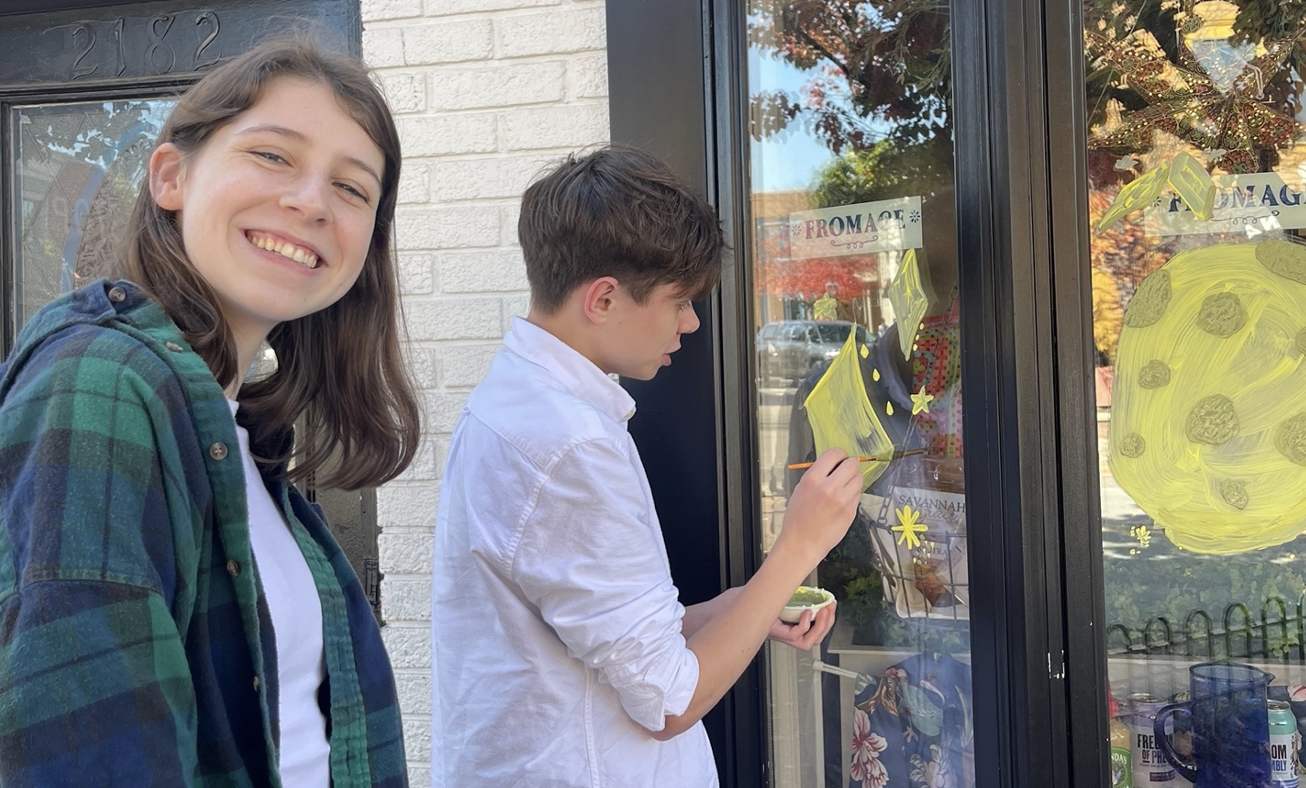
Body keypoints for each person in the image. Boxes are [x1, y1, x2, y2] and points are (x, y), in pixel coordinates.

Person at [0, 38, 418, 788]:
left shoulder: (236, 432)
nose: (311, 202)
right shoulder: (101, 381)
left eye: (353, 189)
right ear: (171, 177)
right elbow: (91, 763)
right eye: (273, 156)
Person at [430, 147, 863, 786]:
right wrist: (799, 547)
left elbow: (598, 638)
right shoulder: (568, 444)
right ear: (604, 298)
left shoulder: (523, 403)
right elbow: (668, 700)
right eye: (679, 300)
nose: (690, 324)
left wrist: (739, 608)